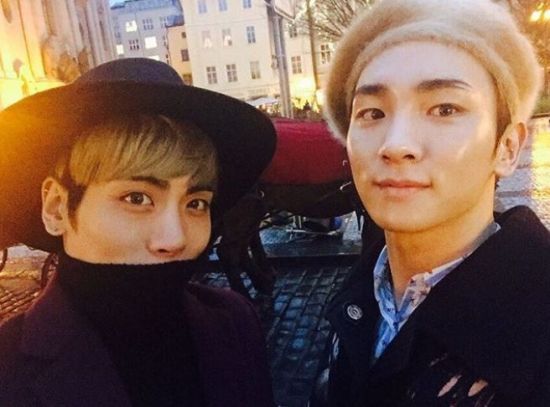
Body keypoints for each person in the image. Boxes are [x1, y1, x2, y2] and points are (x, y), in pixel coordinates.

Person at [312, 0, 550, 405]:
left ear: (508, 147)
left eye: (444, 108)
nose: (395, 144)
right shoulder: (357, 298)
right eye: (372, 113)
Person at [0, 58, 276, 406]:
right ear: (57, 207)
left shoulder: (233, 323)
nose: (175, 239)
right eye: (136, 198)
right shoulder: (9, 367)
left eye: (196, 203)